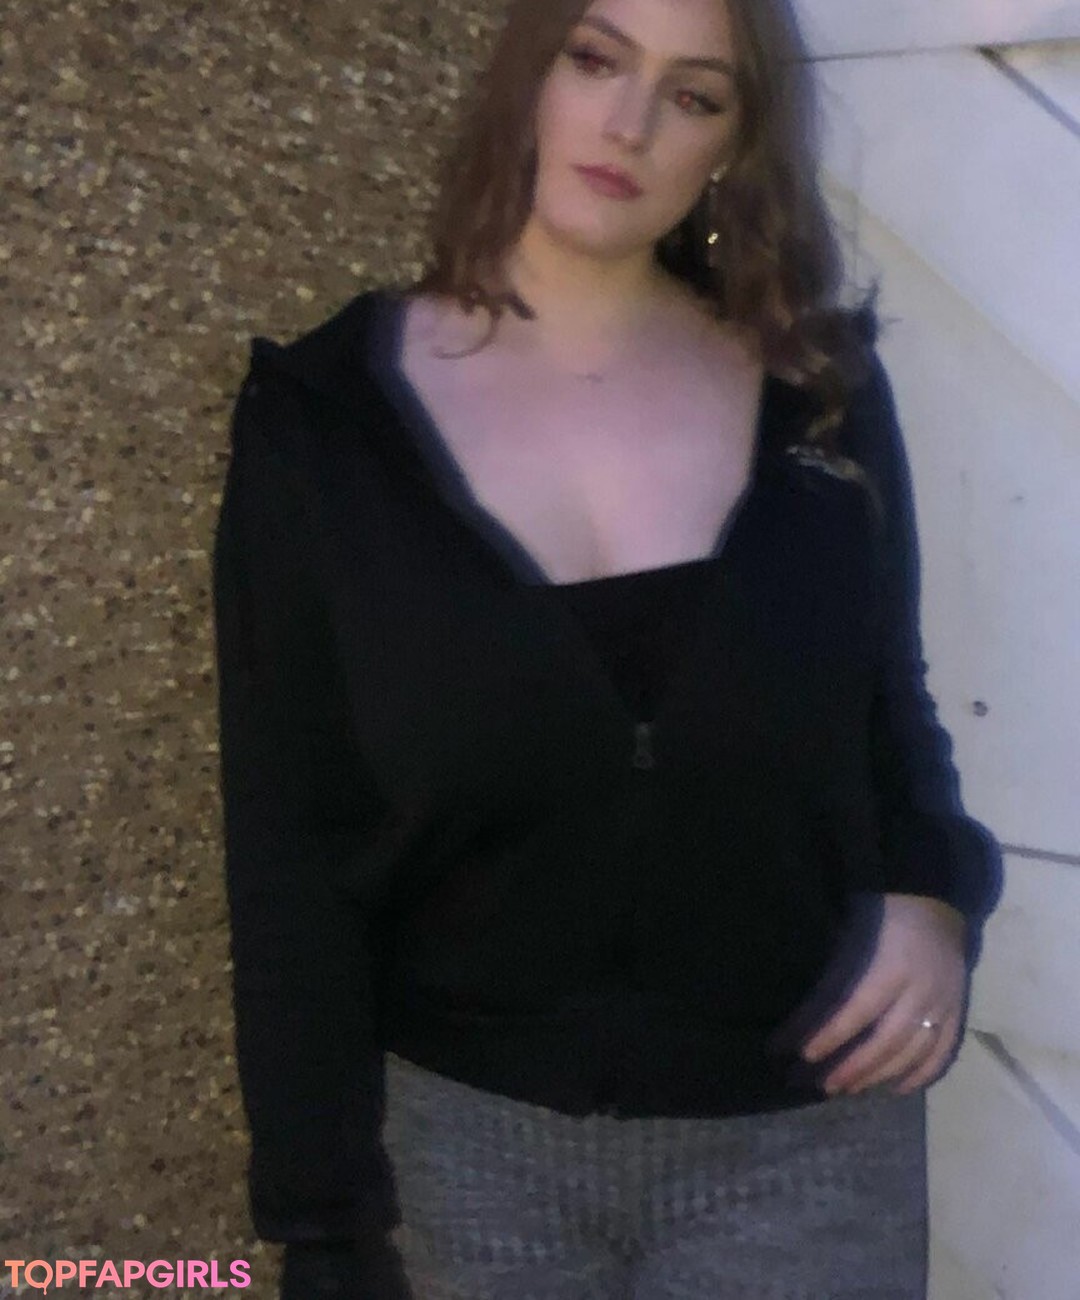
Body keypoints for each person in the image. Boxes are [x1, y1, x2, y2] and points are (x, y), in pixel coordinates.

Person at [211, 0, 1003, 1295]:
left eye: (694, 95)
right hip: (459, 1159)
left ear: (733, 144)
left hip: (806, 1142)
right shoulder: (321, 429)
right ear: (527, 73)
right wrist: (321, 1223)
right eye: (594, 60)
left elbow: (885, 704)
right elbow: (286, 845)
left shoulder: (821, 391)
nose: (629, 124)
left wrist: (932, 891)